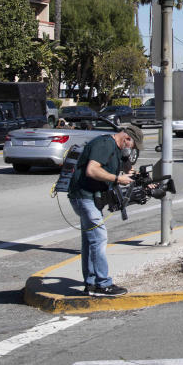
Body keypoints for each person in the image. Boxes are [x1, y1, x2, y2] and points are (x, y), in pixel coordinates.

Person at [67, 125, 144, 297]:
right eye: (133, 146)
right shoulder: (104, 144)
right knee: (99, 237)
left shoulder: (117, 149)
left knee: (90, 240)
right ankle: (103, 284)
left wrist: (132, 174)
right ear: (126, 139)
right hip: (84, 196)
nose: (132, 151)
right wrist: (117, 179)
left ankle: (91, 284)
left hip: (91, 198)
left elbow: (123, 168)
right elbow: (92, 170)